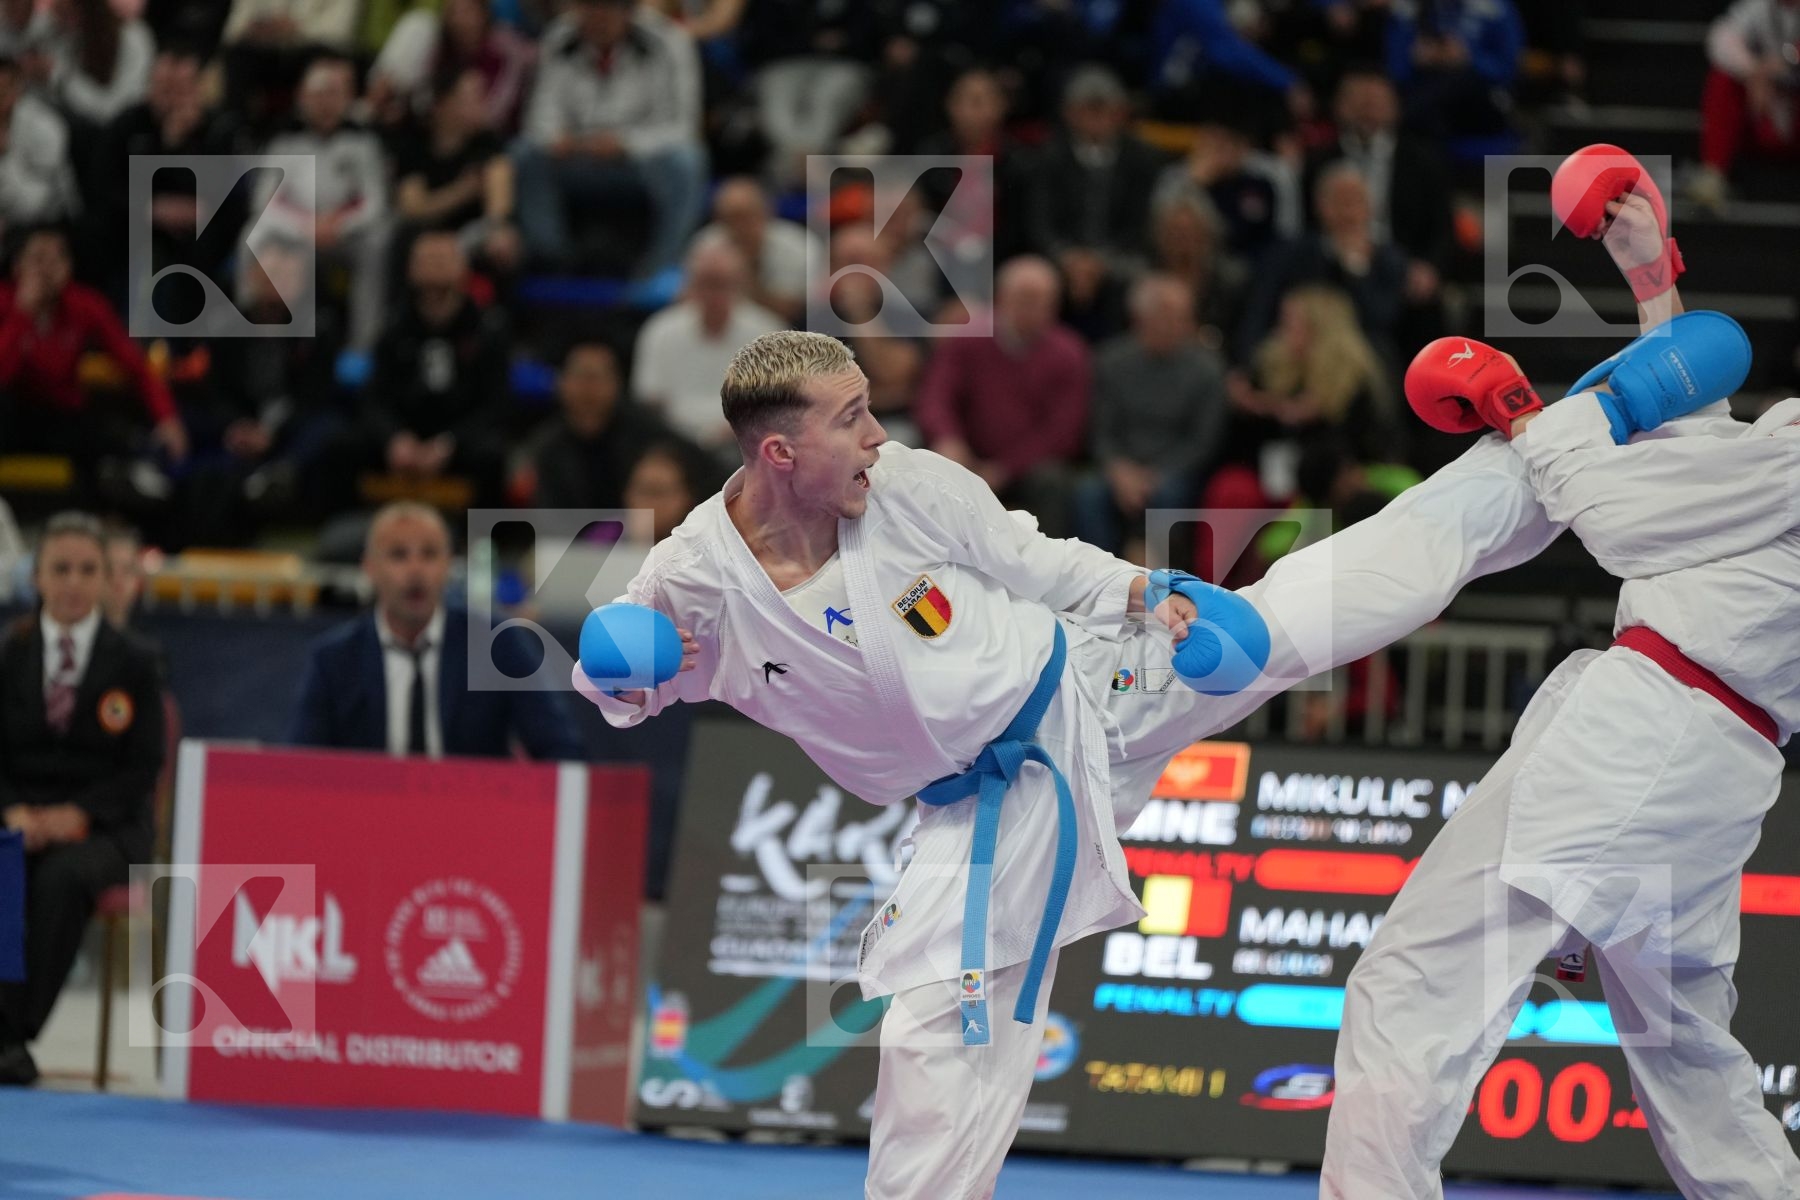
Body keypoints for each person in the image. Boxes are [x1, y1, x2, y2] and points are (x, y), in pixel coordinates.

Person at [567, 314, 1748, 1196]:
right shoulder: (692, 576)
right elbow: (618, 687)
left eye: (874, 406)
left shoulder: (910, 488)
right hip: (984, 807)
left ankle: (1573, 427)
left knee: (1291, 619)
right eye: (850, 419)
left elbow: (1035, 557)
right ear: (779, 454)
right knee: (942, 1031)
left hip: (1083, 681)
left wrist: (1158, 593)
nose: (879, 432)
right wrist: (618, 665)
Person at [1323, 158, 1800, 1199]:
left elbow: (1631, 519)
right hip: (1715, 764)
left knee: (1409, 994)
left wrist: (1532, 419)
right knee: (1696, 1073)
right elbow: (1696, 471)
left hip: (1645, 734)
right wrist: (1653, 285)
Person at [0, 511, 165, 1086]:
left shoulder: (136, 662)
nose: (73, 582)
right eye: (60, 569)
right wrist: (14, 812)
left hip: (107, 827)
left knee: (61, 878)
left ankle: (13, 1032)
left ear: (105, 580)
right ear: (37, 578)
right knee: (6, 862)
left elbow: (143, 766)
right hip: (19, 815)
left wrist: (80, 814)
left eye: (87, 570)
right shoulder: (9, 653)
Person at [288, 501, 584, 760]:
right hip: (367, 815)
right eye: (398, 555)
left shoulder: (497, 643)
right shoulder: (334, 659)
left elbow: (561, 749)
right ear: (369, 568)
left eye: (429, 554)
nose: (415, 569)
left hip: (473, 813)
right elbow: (302, 765)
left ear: (448, 565)